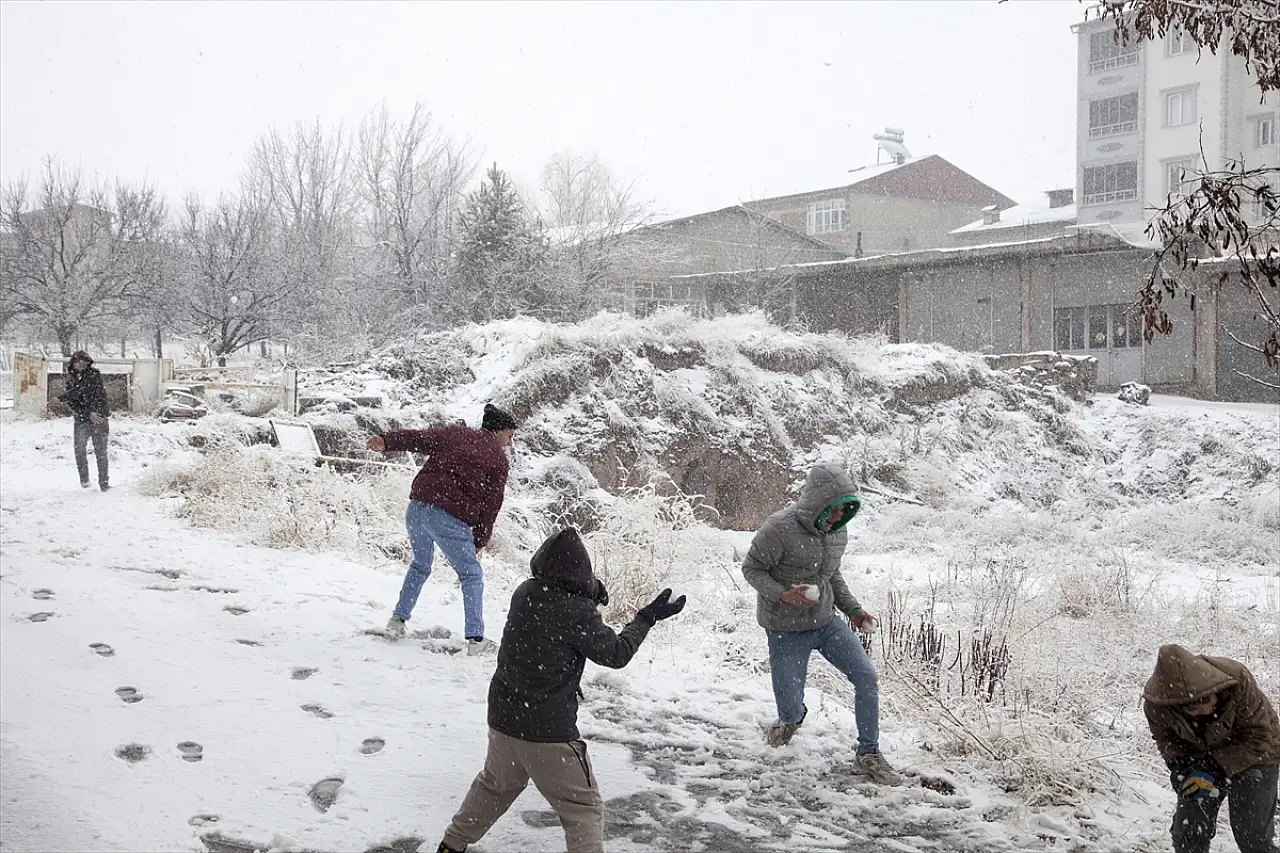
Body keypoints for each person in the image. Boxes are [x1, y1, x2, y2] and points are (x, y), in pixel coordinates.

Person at [436, 527, 686, 853]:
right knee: (582, 809)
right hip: (547, 732)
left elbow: (549, 630)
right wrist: (646, 617)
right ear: (581, 573)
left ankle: (451, 845)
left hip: (504, 720)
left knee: (494, 787)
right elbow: (616, 653)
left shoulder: (525, 593)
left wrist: (589, 594)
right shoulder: (576, 611)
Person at [741, 462, 901, 786]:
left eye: (844, 511)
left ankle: (868, 754)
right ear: (817, 503)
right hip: (785, 628)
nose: (837, 518)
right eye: (833, 510)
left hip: (826, 622)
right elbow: (751, 569)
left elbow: (831, 575)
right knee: (789, 710)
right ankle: (790, 720)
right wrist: (784, 594)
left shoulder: (837, 532)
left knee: (866, 677)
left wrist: (853, 610)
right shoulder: (779, 528)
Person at [366, 403, 517, 654]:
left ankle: (396, 621)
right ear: (498, 430)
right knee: (471, 575)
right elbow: (492, 504)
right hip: (446, 516)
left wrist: (386, 440)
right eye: (509, 436)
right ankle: (476, 640)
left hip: (417, 508)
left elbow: (418, 438)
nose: (510, 443)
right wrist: (479, 540)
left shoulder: (454, 434)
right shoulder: (497, 459)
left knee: (420, 565)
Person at [1142, 643, 1280, 853]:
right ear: (1179, 706)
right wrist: (1179, 765)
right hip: (1200, 758)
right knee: (1188, 830)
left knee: (1251, 834)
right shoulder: (1156, 704)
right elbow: (1166, 739)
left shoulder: (1237, 679)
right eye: (1198, 706)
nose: (1209, 705)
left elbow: (1259, 736)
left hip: (1258, 755)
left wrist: (1215, 765)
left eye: (1209, 697)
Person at [58, 351, 110, 491]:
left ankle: (104, 483)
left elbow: (100, 397)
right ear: (73, 364)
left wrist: (95, 412)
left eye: (83, 361)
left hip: (99, 418)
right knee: (79, 450)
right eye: (77, 361)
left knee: (101, 453)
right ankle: (85, 482)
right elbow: (72, 403)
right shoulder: (71, 380)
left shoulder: (95, 376)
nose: (80, 364)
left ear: (88, 362)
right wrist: (88, 413)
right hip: (81, 420)